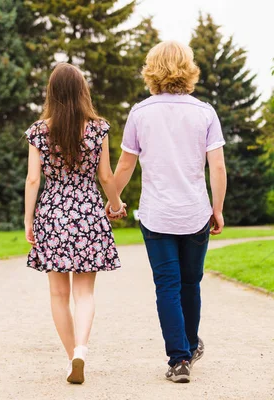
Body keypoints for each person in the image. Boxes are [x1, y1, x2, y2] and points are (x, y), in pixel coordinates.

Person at [106, 40, 227, 383]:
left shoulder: (140, 113)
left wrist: (114, 202)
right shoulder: (205, 112)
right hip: (195, 213)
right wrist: (217, 209)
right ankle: (188, 345)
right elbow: (216, 168)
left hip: (157, 214)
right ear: (188, 69)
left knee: (167, 286)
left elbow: (126, 165)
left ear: (151, 69)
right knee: (191, 283)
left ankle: (179, 358)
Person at [24, 63, 126, 384]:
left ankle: (72, 359)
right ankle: (81, 348)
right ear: (83, 91)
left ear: (51, 93)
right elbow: (106, 177)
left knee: (58, 294)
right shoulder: (98, 129)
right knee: (84, 293)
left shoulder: (39, 131)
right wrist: (115, 203)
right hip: (87, 210)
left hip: (52, 212)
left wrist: (29, 220)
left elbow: (32, 180)